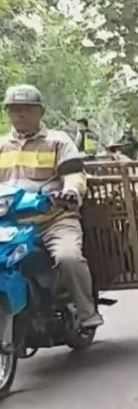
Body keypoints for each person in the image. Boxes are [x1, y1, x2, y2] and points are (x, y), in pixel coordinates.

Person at [0, 85, 103, 328]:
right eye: (15, 110)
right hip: (9, 222)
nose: (20, 115)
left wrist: (70, 191)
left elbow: (75, 173)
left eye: (27, 109)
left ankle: (86, 312)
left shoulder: (58, 141)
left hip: (53, 219)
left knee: (68, 257)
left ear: (41, 112)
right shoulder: (2, 145)